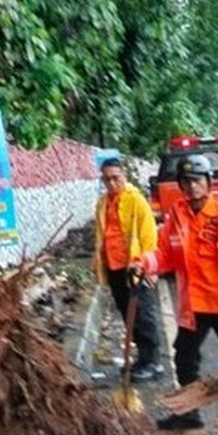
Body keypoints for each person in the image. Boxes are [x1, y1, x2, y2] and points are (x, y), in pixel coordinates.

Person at [133, 154, 218, 435]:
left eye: (197, 180)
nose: (192, 186)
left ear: (209, 183)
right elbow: (166, 254)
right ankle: (189, 414)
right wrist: (145, 262)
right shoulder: (178, 214)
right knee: (185, 357)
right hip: (195, 304)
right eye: (186, 181)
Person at [93, 157, 161, 381]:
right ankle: (143, 359)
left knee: (144, 316)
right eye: (107, 179)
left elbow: (149, 236)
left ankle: (153, 363)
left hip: (136, 268)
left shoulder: (136, 201)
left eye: (116, 178)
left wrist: (145, 265)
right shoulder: (103, 203)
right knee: (128, 316)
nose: (112, 183)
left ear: (125, 177)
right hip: (114, 267)